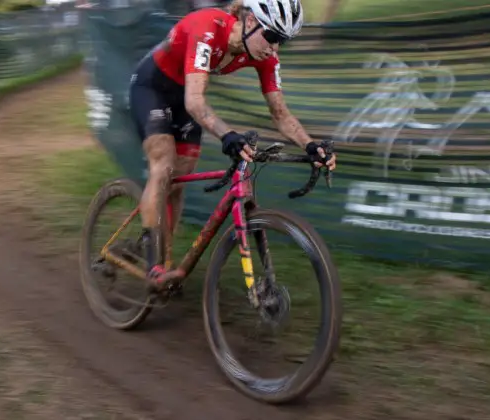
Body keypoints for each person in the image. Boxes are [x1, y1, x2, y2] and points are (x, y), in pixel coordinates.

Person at [128, 0, 337, 287]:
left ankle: (165, 263)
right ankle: (153, 267)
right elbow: (195, 101)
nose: (274, 48)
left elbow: (281, 114)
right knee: (163, 167)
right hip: (152, 88)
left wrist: (310, 145)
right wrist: (227, 134)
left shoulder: (263, 54)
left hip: (186, 98)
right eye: (273, 37)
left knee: (178, 183)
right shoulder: (209, 28)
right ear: (250, 21)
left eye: (282, 42)